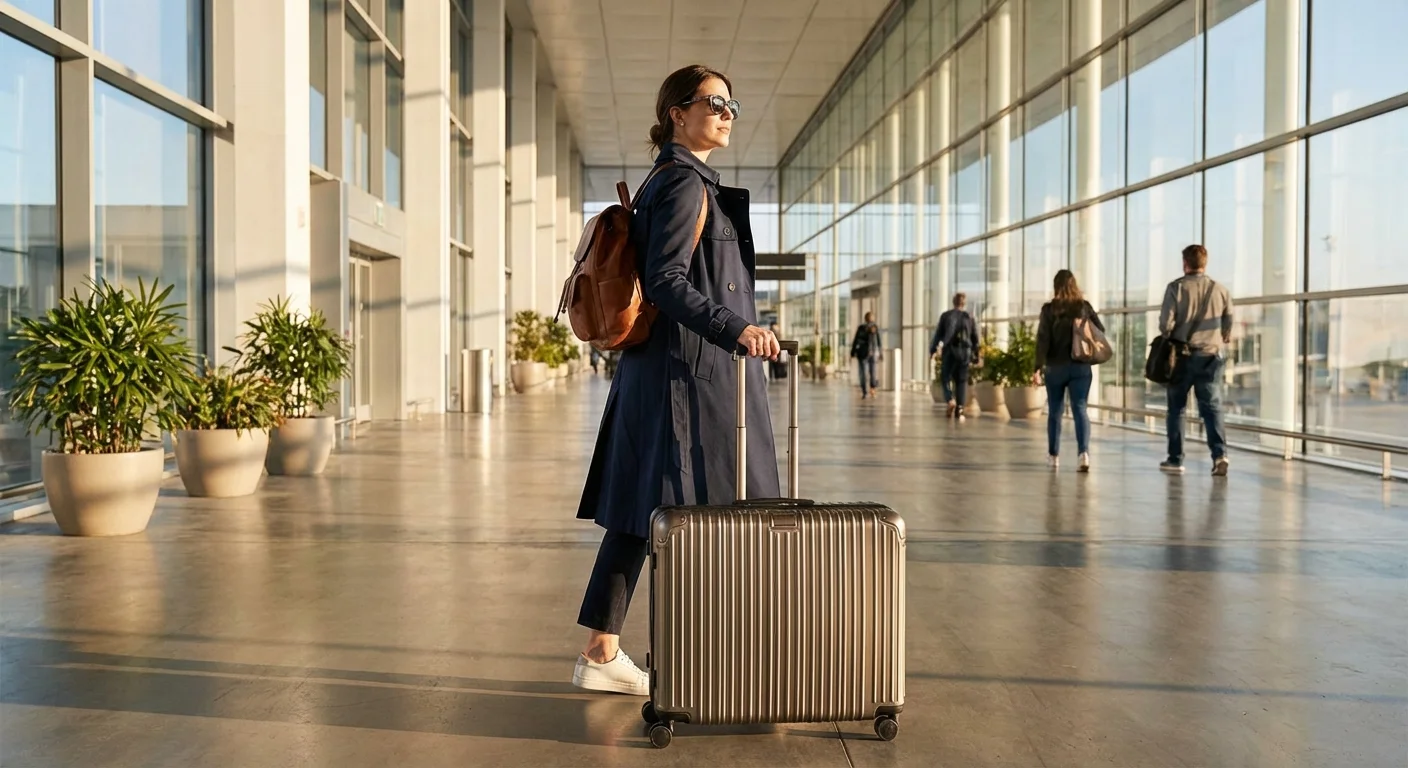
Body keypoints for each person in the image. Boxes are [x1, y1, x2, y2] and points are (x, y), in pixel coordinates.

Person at [571, 65, 780, 697]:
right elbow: (665, 280)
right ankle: (719, 655)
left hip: (668, 371)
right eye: (713, 102)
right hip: (690, 375)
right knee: (719, 512)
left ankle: (602, 652)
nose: (727, 112)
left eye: (732, 104)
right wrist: (735, 328)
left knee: (641, 511)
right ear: (676, 114)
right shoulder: (685, 182)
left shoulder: (677, 179)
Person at [1159, 244, 1233, 476]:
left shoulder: (1176, 288)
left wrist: (1172, 333)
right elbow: (1228, 324)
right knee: (1211, 408)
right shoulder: (1220, 289)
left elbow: (1165, 325)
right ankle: (1219, 455)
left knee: (1177, 409)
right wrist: (1219, 337)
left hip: (1181, 358)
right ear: (1205, 262)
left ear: (1185, 263)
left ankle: (1175, 459)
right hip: (1210, 358)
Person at [1035, 270, 1105, 472]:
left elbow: (1043, 339)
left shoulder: (1049, 310)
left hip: (1055, 368)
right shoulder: (1083, 307)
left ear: (1056, 286)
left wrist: (1037, 367)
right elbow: (1100, 330)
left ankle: (1053, 456)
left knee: (1055, 412)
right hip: (1080, 366)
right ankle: (1083, 454)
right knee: (1080, 409)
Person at [929, 293, 978, 419]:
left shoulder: (946, 316)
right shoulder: (969, 317)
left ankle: (950, 400)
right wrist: (975, 353)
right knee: (961, 381)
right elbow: (975, 338)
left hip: (950, 351)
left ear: (953, 302)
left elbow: (939, 334)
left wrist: (933, 350)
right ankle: (960, 409)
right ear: (964, 303)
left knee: (945, 377)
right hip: (965, 352)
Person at [850, 312, 882, 398]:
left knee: (870, 372)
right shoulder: (863, 328)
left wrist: (880, 352)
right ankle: (867, 390)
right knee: (867, 372)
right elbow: (857, 340)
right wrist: (853, 351)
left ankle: (869, 389)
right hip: (865, 353)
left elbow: (878, 340)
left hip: (869, 353)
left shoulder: (874, 328)